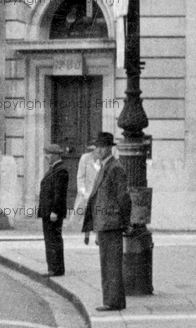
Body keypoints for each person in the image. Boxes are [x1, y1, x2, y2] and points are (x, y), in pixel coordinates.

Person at [83, 132, 132, 312]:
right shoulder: (105, 167)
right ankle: (112, 300)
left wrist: (125, 222)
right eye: (96, 147)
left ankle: (113, 302)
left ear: (106, 148)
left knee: (111, 264)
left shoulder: (114, 168)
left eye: (98, 147)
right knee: (107, 263)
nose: (96, 150)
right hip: (105, 223)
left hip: (112, 224)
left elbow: (123, 198)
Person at [37, 143, 69, 277]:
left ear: (56, 155)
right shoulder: (54, 169)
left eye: (48, 154)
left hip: (53, 213)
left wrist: (55, 211)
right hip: (48, 211)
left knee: (53, 240)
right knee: (50, 239)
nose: (46, 157)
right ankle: (53, 267)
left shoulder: (60, 170)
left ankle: (55, 269)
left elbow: (59, 194)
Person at [68, 145, 100, 229]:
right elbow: (80, 176)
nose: (98, 151)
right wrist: (82, 190)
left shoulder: (104, 159)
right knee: (81, 210)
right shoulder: (85, 158)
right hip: (86, 189)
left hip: (99, 190)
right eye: (96, 148)